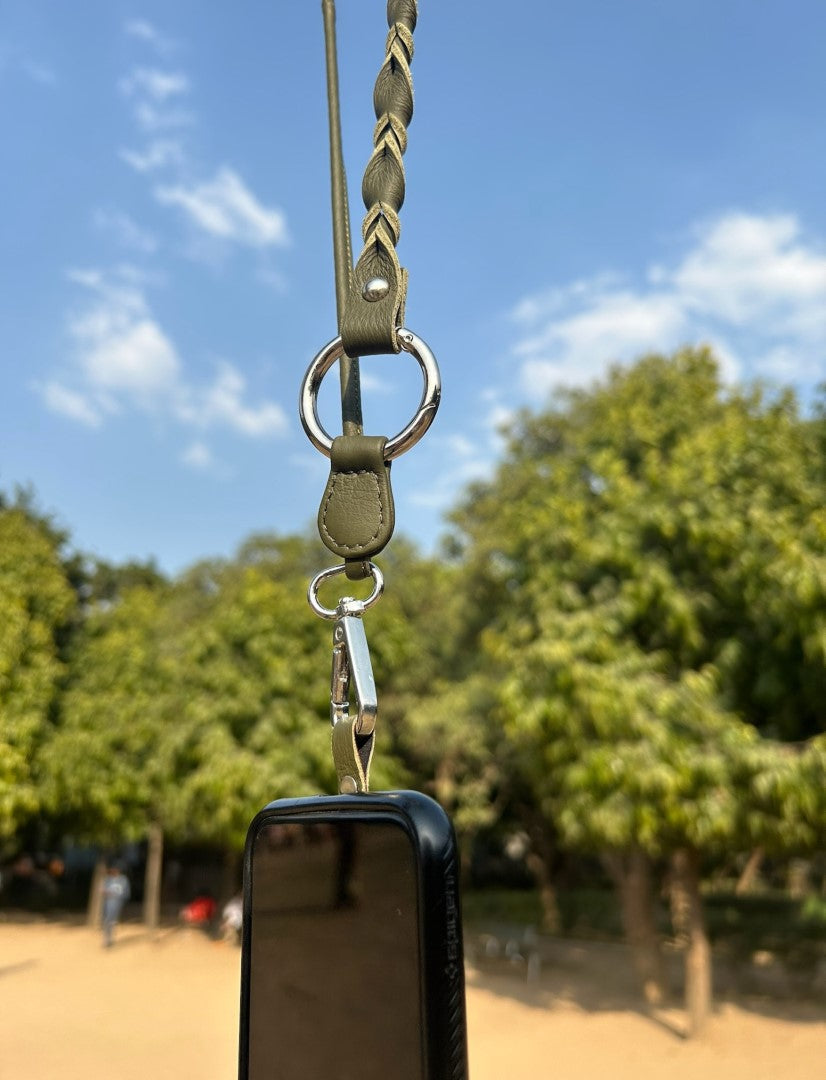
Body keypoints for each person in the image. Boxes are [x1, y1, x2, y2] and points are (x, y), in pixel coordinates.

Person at [101, 864, 130, 947]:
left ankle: (109, 939)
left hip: (117, 902)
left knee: (111, 921)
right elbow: (103, 890)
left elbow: (124, 892)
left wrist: (114, 894)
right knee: (107, 920)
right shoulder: (108, 879)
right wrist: (105, 892)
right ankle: (107, 939)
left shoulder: (123, 879)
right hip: (108, 902)